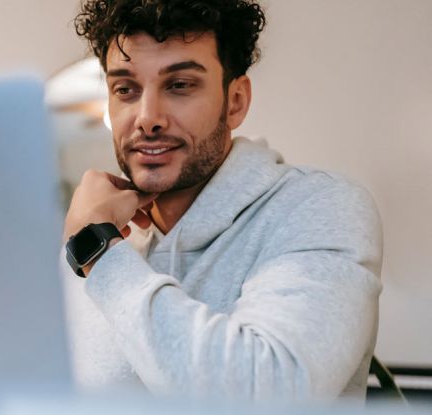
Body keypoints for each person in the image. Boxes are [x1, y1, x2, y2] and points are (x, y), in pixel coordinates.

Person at [61, 0, 382, 401]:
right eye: (125, 89)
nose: (147, 117)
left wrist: (99, 250)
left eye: (179, 85)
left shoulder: (320, 207)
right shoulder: (91, 242)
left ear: (236, 102)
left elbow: (266, 397)